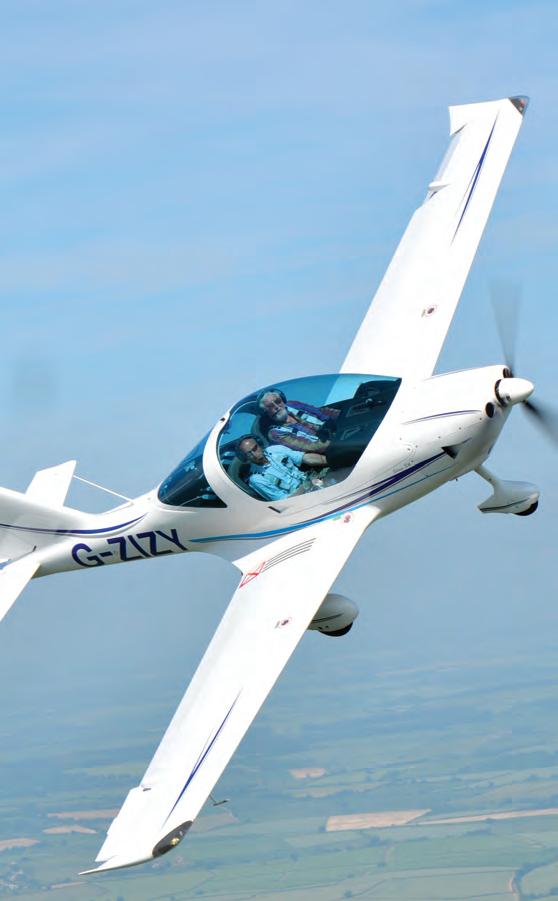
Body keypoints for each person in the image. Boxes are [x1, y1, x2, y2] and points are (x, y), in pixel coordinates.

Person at [236, 435, 327, 501]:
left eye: (255, 448)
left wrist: (328, 459)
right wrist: (306, 486)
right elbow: (284, 501)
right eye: (249, 453)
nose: (254, 454)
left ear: (260, 444)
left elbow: (304, 458)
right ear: (245, 458)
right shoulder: (256, 479)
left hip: (313, 480)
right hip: (302, 498)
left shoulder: (276, 450)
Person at [257, 389, 339, 455]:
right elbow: (310, 447)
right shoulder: (275, 433)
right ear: (265, 413)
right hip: (330, 448)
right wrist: (336, 441)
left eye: (278, 401)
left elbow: (322, 412)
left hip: (337, 431)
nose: (277, 407)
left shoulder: (293, 404)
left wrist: (342, 417)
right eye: (270, 406)